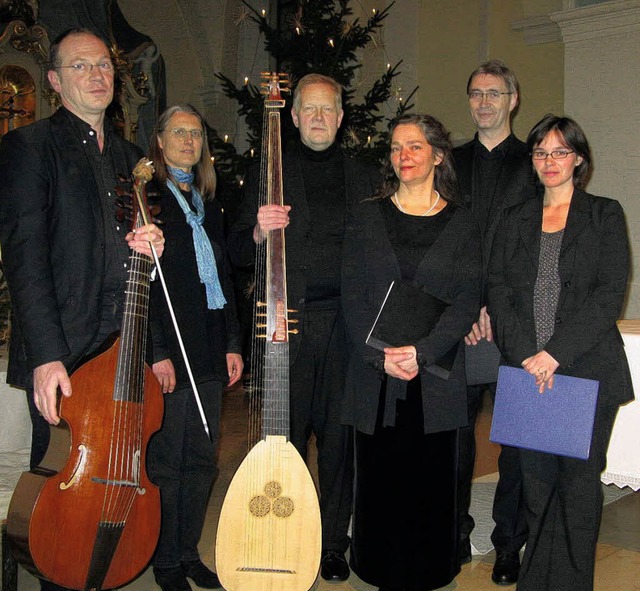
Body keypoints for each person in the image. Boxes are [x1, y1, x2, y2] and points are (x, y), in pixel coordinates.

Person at [0, 29, 165, 591]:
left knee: (116, 478)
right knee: (62, 490)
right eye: (80, 66)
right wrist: (46, 357)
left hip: (123, 343)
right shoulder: (29, 148)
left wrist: (149, 248)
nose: (97, 75)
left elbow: (133, 249)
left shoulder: (131, 159)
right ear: (54, 81)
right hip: (64, 348)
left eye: (103, 66)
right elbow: (25, 258)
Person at [228, 73, 380, 582]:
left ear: (340, 117)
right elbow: (233, 246)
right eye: (309, 109)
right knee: (285, 437)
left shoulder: (365, 174)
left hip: (348, 326)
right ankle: (288, 533)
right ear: (292, 117)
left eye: (328, 110)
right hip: (285, 326)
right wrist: (255, 229)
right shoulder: (270, 170)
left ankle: (333, 542)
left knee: (340, 439)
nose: (318, 117)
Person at [487, 114, 633, 591]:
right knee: (537, 486)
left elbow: (609, 293)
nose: (550, 161)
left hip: (584, 372)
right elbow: (500, 289)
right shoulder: (515, 218)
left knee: (576, 488)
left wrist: (554, 354)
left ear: (579, 159)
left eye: (560, 152)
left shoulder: (604, 214)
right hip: (527, 371)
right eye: (541, 152)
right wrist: (529, 354)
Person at [341, 114, 482, 591]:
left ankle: (427, 568)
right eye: (397, 147)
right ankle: (377, 564)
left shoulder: (462, 223)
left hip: (435, 375)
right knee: (379, 477)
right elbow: (352, 293)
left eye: (415, 146)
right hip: (376, 372)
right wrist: (377, 355)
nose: (404, 156)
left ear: (438, 155)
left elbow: (466, 299)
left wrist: (422, 351)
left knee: (431, 481)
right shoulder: (366, 216)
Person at [146, 105, 243, 591]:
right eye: (178, 132)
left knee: (204, 457)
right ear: (159, 141)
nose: (188, 140)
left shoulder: (208, 203)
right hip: (170, 349)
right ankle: (165, 559)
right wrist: (156, 350)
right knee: (170, 460)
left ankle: (188, 552)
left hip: (206, 347)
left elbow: (223, 277)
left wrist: (232, 342)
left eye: (196, 133)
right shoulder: (148, 200)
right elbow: (144, 284)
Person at [453, 58, 535, 583]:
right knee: (454, 437)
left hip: (517, 321)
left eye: (494, 93)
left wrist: (494, 306)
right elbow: (438, 240)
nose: (484, 102)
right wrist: (465, 306)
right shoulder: (448, 162)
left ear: (513, 100)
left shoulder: (537, 161)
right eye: (476, 93)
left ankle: (508, 542)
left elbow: (534, 246)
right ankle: (453, 533)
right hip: (457, 323)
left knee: (518, 442)